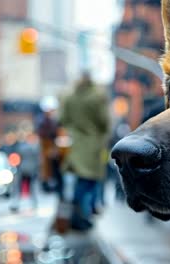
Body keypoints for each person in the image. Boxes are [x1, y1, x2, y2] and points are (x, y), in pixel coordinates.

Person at [60, 72, 111, 231]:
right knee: (88, 182)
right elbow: (104, 122)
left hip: (74, 144)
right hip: (92, 145)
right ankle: (79, 217)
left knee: (80, 181)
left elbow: (62, 119)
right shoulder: (97, 97)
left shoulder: (69, 97)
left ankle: (79, 216)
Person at [10, 131, 40, 212]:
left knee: (30, 188)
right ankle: (17, 203)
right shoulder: (35, 147)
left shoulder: (23, 147)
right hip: (24, 170)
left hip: (28, 170)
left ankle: (31, 203)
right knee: (20, 187)